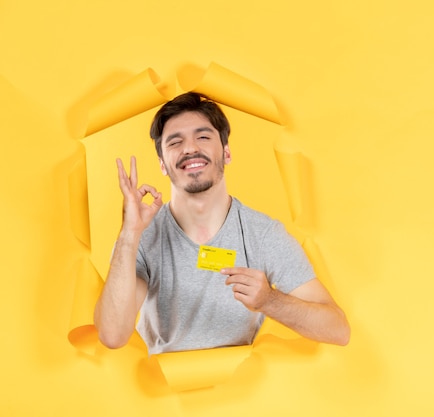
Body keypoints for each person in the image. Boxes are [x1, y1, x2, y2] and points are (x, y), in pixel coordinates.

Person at [94, 92, 350, 354]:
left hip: (242, 390)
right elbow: (112, 335)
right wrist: (129, 233)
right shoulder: (141, 236)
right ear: (162, 163)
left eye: (203, 137)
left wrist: (269, 300)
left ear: (226, 152)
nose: (190, 148)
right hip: (165, 389)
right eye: (175, 142)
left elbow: (338, 329)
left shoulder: (263, 234)